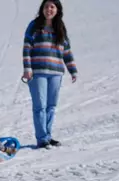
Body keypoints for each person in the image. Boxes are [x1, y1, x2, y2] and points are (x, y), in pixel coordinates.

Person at [22, 0, 77, 149]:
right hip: (37, 72)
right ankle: (42, 139)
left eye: (52, 7)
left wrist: (72, 70)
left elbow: (66, 51)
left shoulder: (60, 28)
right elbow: (27, 47)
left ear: (57, 10)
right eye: (46, 6)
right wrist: (27, 68)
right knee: (40, 106)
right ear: (42, 9)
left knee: (51, 106)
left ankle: (48, 136)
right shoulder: (34, 25)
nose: (49, 9)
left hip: (56, 72)